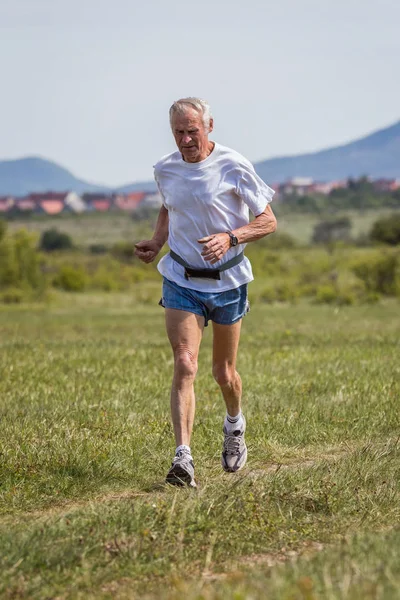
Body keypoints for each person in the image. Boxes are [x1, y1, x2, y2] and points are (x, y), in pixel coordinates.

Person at [135, 97, 276, 487]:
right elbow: (169, 207)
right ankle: (183, 459)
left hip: (228, 282)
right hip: (181, 278)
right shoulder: (165, 169)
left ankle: (234, 424)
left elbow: (267, 221)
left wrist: (231, 238)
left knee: (223, 373)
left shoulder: (232, 164)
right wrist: (157, 241)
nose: (185, 140)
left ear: (209, 126)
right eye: (178, 132)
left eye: (192, 131)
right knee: (185, 363)